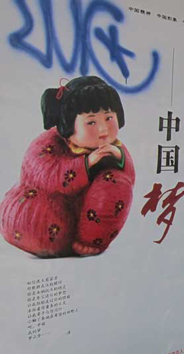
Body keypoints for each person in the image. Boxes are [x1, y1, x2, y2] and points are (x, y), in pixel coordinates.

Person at [0, 76, 135, 258]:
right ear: (70, 124)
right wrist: (86, 164)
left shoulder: (112, 147)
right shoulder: (48, 143)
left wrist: (120, 158)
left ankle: (91, 240)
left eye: (109, 118)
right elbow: (46, 175)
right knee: (42, 222)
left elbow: (128, 179)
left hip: (83, 223)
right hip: (44, 217)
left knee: (116, 180)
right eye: (91, 122)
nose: (103, 130)